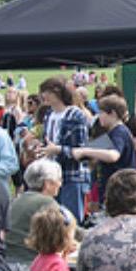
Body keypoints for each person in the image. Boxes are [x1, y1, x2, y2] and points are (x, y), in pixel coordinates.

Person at [35, 77, 90, 221]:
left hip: (72, 176)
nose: (43, 96)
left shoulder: (75, 115)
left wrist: (57, 150)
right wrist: (42, 149)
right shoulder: (49, 115)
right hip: (51, 176)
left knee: (71, 221)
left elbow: (82, 150)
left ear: (57, 92)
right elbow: (48, 143)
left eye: (45, 92)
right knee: (54, 222)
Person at [70, 95, 136, 202]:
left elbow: (113, 155)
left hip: (121, 193)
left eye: (101, 113)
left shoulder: (119, 132)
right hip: (111, 190)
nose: (98, 116)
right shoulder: (111, 133)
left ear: (113, 113)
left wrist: (85, 151)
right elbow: (88, 148)